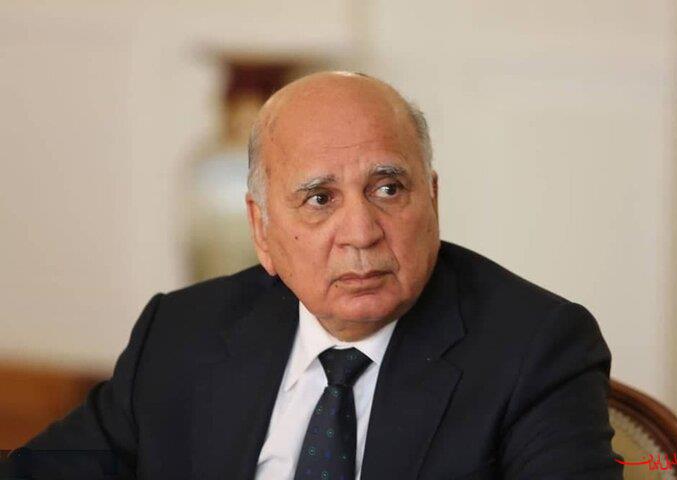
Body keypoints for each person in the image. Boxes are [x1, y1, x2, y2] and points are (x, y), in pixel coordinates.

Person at [3, 72, 622, 479]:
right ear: (261, 228)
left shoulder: (537, 351)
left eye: (388, 188)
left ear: (432, 199)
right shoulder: (181, 332)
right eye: (320, 199)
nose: (361, 232)